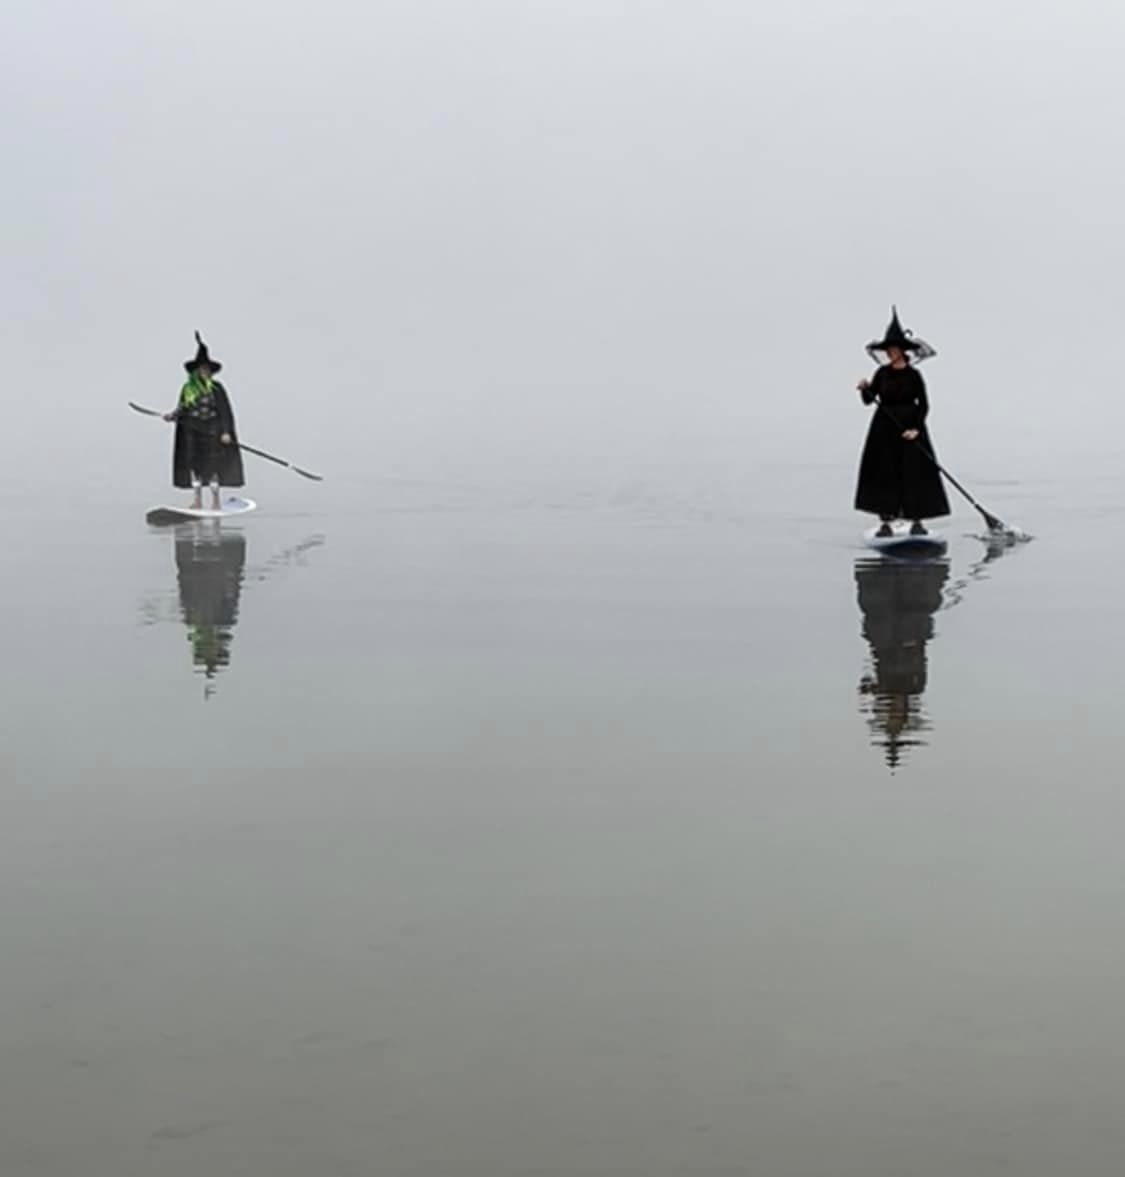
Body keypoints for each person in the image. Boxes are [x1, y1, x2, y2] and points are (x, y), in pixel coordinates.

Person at [853, 307, 950, 536]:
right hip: (883, 429)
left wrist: (916, 429)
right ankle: (886, 523)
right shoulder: (882, 373)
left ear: (902, 351)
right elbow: (869, 400)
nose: (889, 353)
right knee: (883, 472)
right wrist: (865, 388)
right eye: (887, 350)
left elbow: (924, 404)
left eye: (893, 349)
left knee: (915, 472)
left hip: (910, 429)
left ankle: (916, 521)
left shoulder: (914, 376)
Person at [164, 332, 245, 510]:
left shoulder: (217, 388)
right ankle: (197, 500)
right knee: (195, 467)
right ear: (196, 372)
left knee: (214, 467)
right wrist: (172, 415)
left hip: (213, 432)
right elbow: (182, 408)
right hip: (193, 432)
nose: (205, 372)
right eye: (202, 369)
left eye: (207, 370)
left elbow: (225, 412)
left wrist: (226, 432)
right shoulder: (188, 389)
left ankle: (215, 502)